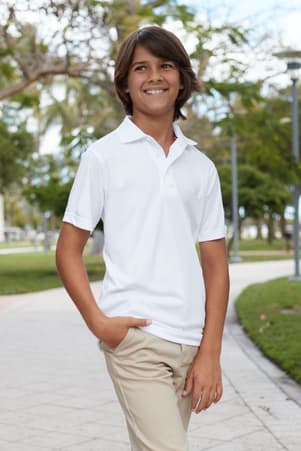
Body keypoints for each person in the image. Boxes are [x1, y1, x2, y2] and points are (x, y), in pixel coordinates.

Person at [56, 25, 229, 451]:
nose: (154, 76)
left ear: (182, 80)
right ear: (126, 85)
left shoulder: (201, 167)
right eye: (141, 68)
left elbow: (216, 264)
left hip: (191, 341)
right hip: (136, 338)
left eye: (165, 65)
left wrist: (211, 351)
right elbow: (68, 251)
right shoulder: (102, 157)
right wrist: (100, 323)